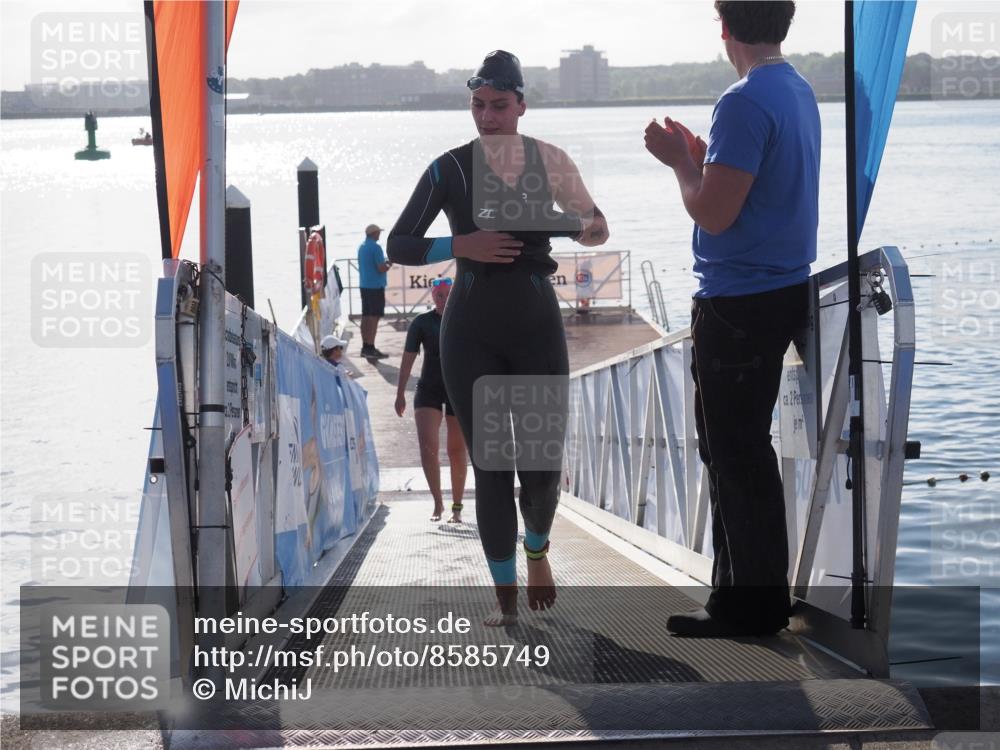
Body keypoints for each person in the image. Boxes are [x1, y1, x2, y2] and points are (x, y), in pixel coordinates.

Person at [387, 50, 609, 625]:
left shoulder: (550, 160)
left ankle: (537, 550)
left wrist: (581, 226)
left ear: (521, 105)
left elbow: (596, 223)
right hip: (471, 328)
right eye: (477, 105)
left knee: (540, 460)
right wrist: (462, 246)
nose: (486, 117)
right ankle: (504, 597)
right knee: (492, 463)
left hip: (535, 322)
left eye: (498, 106)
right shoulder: (449, 169)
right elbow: (400, 245)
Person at [643, 0, 819, 638]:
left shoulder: (743, 101)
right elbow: (751, 191)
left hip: (737, 302)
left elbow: (713, 214)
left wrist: (681, 163)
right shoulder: (796, 90)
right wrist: (705, 160)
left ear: (725, 28)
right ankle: (747, 599)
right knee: (743, 451)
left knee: (733, 453)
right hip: (779, 291)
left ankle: (750, 607)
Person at [395, 278, 468, 524]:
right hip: (428, 389)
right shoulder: (422, 322)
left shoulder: (464, 318)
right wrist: (400, 392)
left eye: (448, 294)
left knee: (456, 450)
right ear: (432, 296)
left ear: (454, 295)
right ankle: (437, 501)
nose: (443, 298)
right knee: (428, 448)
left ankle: (457, 507)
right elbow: (408, 358)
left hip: (457, 388)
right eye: (439, 294)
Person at [357, 224, 391, 359]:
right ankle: (370, 347)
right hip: (375, 287)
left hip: (364, 285)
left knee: (365, 316)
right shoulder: (376, 248)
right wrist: (390, 263)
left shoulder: (362, 247)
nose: (379, 234)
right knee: (374, 317)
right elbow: (381, 268)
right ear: (374, 234)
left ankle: (365, 346)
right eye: (378, 232)